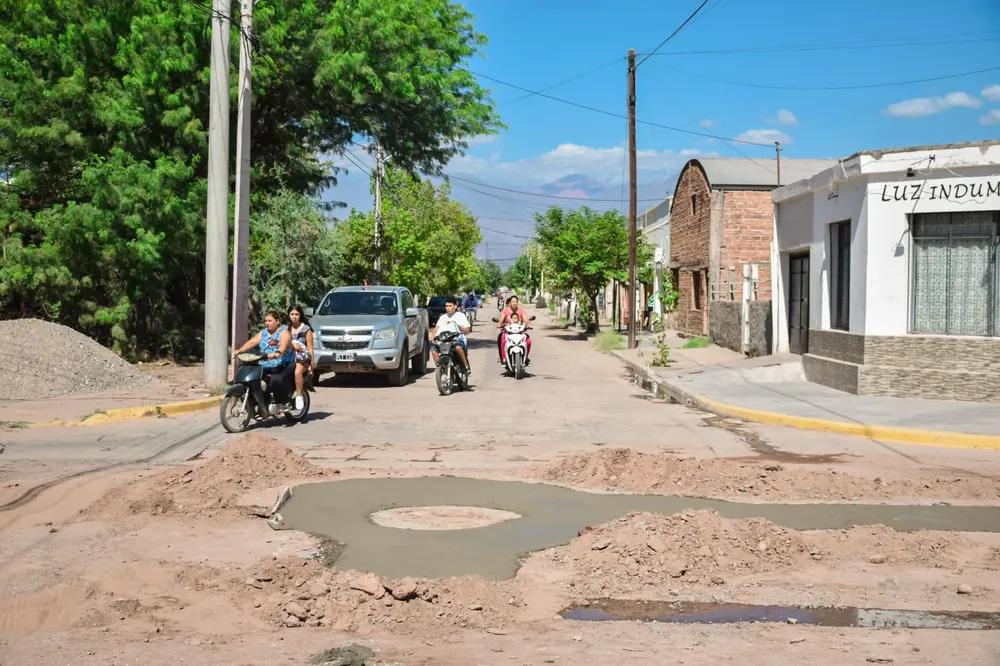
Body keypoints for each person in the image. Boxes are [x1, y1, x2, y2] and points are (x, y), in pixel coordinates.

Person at [234, 310, 296, 410]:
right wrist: (240, 350)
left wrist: (277, 353)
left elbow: (283, 346)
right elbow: (252, 342)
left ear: (277, 321)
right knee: (253, 378)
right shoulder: (264, 332)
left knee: (275, 380)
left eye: (270, 321)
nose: (267, 323)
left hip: (283, 363)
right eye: (266, 321)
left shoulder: (284, 332)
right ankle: (261, 402)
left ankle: (284, 402)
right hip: (266, 363)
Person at [430, 296, 471, 375]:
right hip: (444, 340)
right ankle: (440, 368)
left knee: (458, 347)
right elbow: (436, 328)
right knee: (433, 350)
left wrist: (458, 326)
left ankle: (466, 366)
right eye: (446, 306)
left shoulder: (460, 316)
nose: (448, 308)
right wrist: (433, 337)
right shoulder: (442, 317)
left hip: (457, 339)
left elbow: (467, 330)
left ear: (455, 306)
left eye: (450, 306)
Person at [287, 305, 314, 410]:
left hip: (302, 358)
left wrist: (311, 365)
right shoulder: (285, 329)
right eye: (292, 314)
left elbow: (310, 348)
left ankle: (298, 396)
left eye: (297, 314)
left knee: (297, 372)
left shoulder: (306, 329)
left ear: (300, 315)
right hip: (288, 357)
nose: (294, 317)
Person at [497, 294, 531, 362]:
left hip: (519, 331)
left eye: (515, 302)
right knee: (503, 340)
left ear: (517, 302)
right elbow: (500, 321)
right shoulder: (505, 311)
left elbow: (526, 321)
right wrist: (498, 327)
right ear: (510, 303)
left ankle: (526, 357)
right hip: (508, 331)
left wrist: (528, 324)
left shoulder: (521, 311)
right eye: (513, 302)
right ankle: (504, 358)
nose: (514, 303)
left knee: (528, 341)